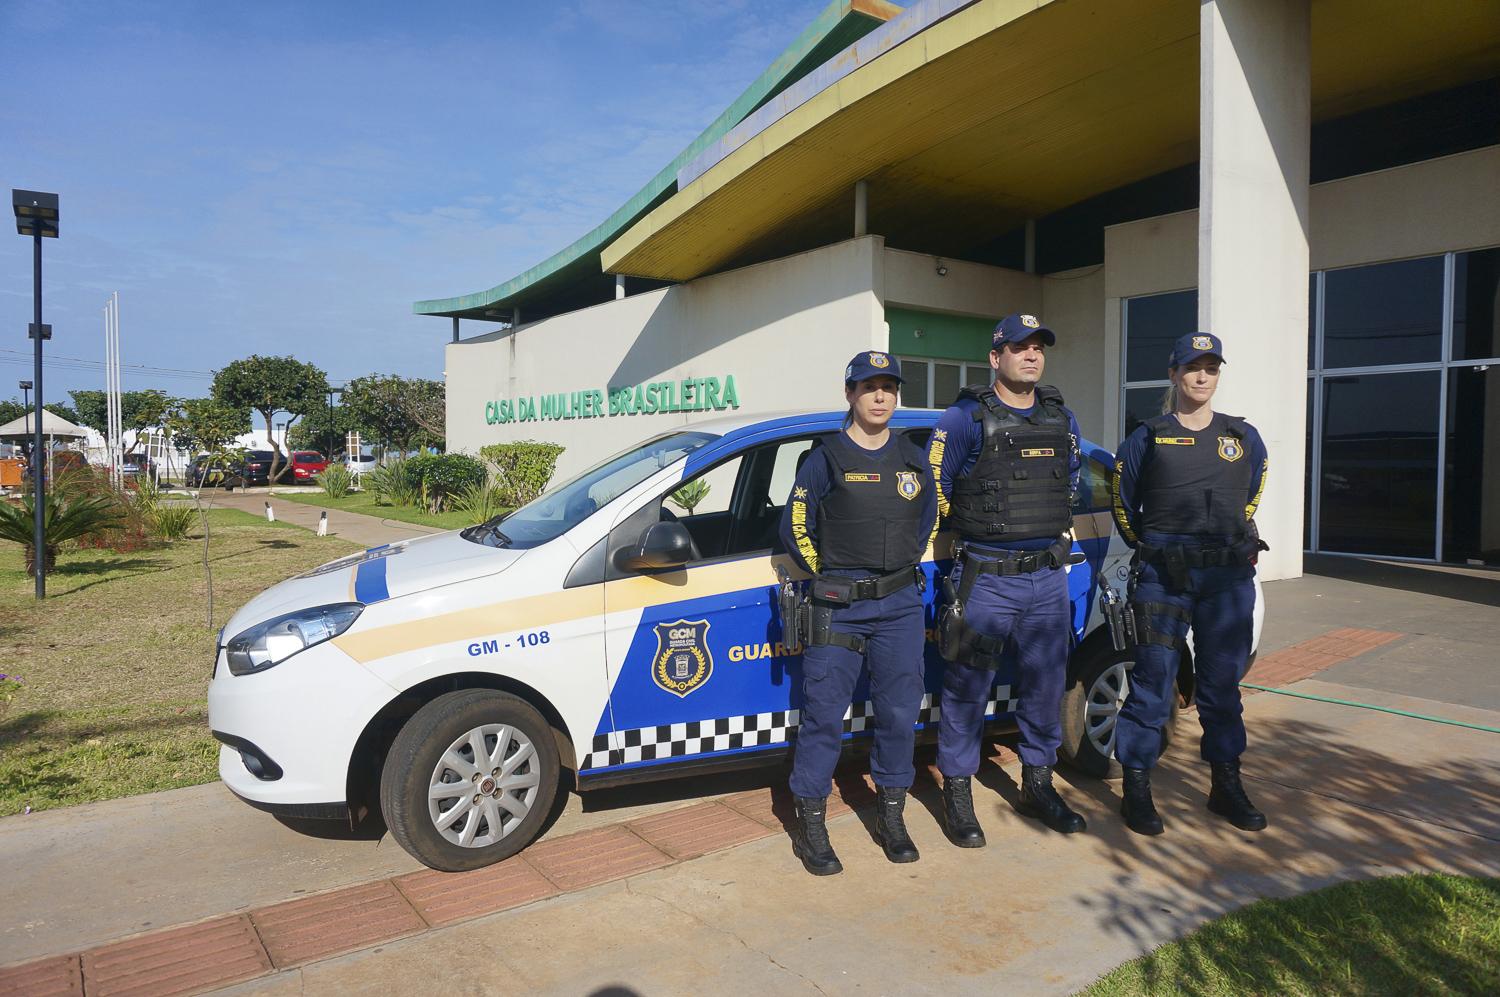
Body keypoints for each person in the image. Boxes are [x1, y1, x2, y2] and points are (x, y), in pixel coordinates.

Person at [927, 314, 1086, 846]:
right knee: (966, 689)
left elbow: (1073, 485)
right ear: (996, 358)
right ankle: (958, 792)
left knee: (1044, 688)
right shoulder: (964, 418)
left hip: (1046, 579)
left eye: (1039, 347)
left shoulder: (1063, 419)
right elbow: (935, 489)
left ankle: (1037, 785)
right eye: (1020, 347)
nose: (1032, 355)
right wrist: (970, 532)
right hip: (986, 579)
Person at [779, 350, 938, 876]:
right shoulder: (823, 459)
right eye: (868, 387)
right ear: (849, 394)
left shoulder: (913, 458)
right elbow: (796, 526)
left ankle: (892, 815)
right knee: (824, 716)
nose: (879, 395)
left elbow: (928, 522)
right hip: (839, 606)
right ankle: (812, 823)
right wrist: (834, 577)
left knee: (897, 713)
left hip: (899, 605)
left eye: (888, 387)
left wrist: (894, 571)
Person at [1110, 332, 1269, 836]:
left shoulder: (1243, 437)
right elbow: (1123, 505)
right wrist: (1160, 547)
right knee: (1153, 685)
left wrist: (1219, 546)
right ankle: (1136, 788)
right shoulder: (1147, 436)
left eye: (1211, 368)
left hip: (1226, 580)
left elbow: (1251, 494)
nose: (1202, 376)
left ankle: (1226, 786)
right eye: (1192, 368)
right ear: (1174, 374)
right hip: (1163, 580)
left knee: (1222, 687)